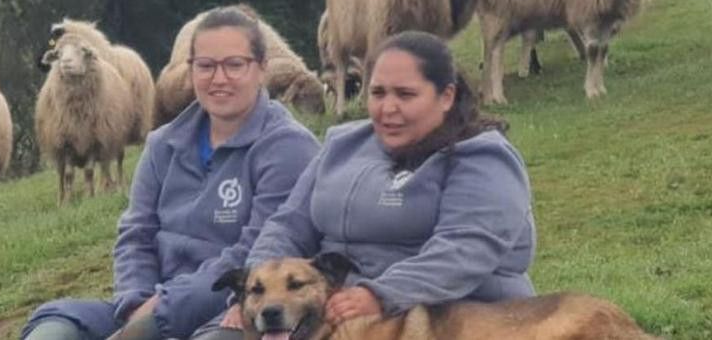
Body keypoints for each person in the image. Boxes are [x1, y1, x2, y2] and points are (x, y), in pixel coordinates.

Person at [197, 30, 536, 339]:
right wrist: (255, 292)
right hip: (327, 311)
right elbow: (289, 224)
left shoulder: (482, 158)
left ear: (446, 96)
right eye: (378, 93)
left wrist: (379, 294)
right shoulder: (343, 144)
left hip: (444, 318)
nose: (388, 108)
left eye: (405, 94)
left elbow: (464, 251)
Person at [21, 6, 321, 340]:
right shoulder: (163, 143)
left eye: (235, 65)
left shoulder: (288, 148)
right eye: (205, 66)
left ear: (262, 68)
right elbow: (136, 234)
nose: (219, 79)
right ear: (190, 70)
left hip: (231, 308)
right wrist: (136, 303)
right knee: (54, 327)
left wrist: (161, 312)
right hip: (147, 305)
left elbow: (256, 253)